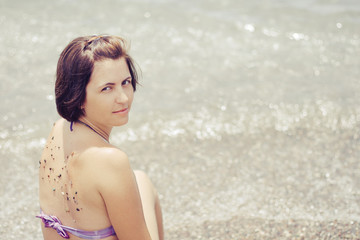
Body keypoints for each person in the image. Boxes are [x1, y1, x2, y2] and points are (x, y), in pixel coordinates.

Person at [37, 35, 164, 240]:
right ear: (77, 96)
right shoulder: (110, 160)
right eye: (107, 88)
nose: (123, 98)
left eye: (126, 82)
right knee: (143, 181)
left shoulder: (58, 132)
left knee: (140, 179)